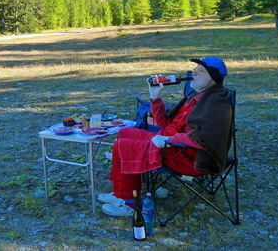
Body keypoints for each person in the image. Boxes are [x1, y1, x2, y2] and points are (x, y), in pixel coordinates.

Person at [99, 56, 233, 217]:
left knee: (123, 147)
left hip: (186, 157)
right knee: (125, 132)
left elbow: (202, 138)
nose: (193, 73)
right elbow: (164, 122)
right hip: (168, 143)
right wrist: (155, 98)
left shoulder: (216, 102)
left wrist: (168, 140)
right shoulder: (195, 97)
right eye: (194, 69)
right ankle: (121, 191)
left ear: (212, 77)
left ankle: (129, 202)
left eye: (199, 71)